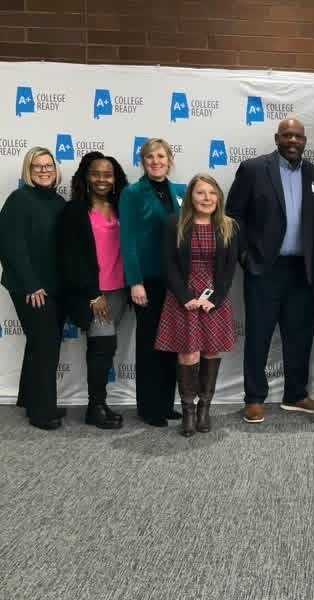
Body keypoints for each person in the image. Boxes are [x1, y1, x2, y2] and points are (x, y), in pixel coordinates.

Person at [226, 117, 314, 423]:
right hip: (264, 268)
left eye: (299, 137)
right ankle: (253, 397)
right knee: (258, 335)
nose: (293, 141)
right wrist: (244, 257)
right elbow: (233, 217)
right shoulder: (254, 169)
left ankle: (295, 394)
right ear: (277, 138)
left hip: (302, 270)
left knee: (300, 335)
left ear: (305, 142)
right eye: (287, 135)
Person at [156, 174, 238, 436]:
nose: (207, 198)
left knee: (211, 351)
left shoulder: (229, 226)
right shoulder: (174, 224)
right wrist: (185, 297)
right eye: (201, 193)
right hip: (184, 297)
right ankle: (188, 411)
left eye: (212, 193)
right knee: (188, 354)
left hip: (215, 299)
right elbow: (168, 263)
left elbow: (228, 268)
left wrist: (214, 299)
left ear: (219, 198)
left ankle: (205, 409)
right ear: (191, 196)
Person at [60, 151, 130, 430]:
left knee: (107, 346)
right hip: (95, 292)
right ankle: (95, 407)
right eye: (96, 174)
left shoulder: (122, 206)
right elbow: (70, 257)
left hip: (119, 289)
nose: (102, 179)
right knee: (101, 348)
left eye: (107, 174)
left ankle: (101, 403)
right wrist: (92, 294)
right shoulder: (75, 210)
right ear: (86, 178)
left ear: (115, 179)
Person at [0, 147, 66, 430]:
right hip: (30, 287)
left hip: (54, 288)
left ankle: (31, 399)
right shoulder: (19, 199)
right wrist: (31, 284)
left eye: (47, 165)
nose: (43, 169)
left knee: (40, 344)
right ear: (29, 169)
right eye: (37, 165)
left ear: (55, 168)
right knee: (45, 346)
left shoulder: (59, 202)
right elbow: (11, 246)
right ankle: (42, 412)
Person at [119, 138, 181, 427]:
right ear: (142, 163)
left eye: (160, 156)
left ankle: (167, 404)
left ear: (169, 159)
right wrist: (135, 282)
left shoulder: (179, 191)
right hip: (148, 281)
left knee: (170, 344)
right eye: (149, 158)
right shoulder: (132, 193)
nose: (155, 162)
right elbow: (127, 240)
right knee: (149, 345)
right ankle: (149, 408)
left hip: (174, 280)